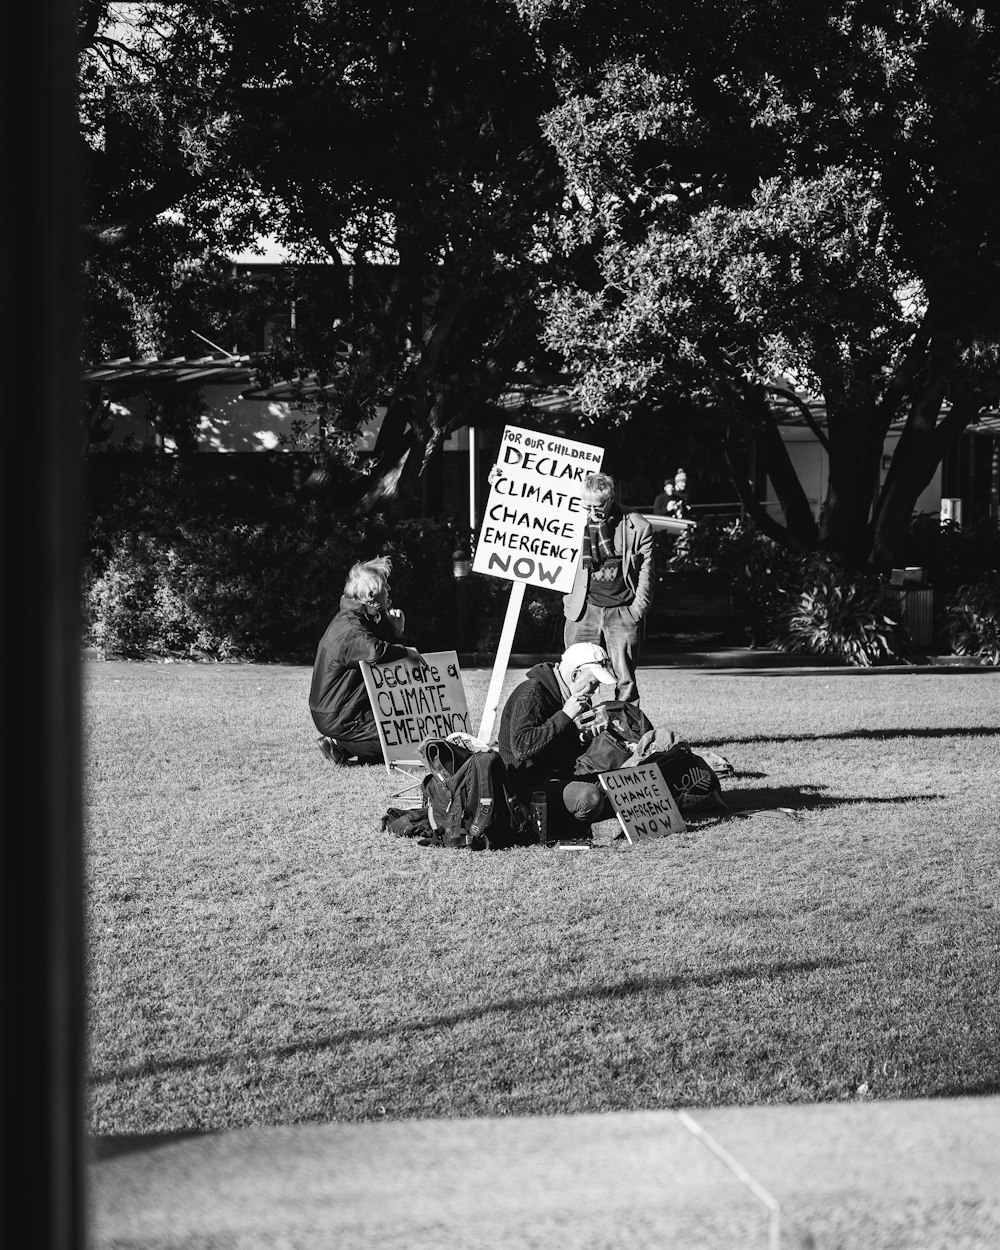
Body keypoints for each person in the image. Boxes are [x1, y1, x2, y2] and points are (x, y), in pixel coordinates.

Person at [309, 556, 422, 765]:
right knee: (406, 740)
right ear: (371, 596)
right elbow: (375, 652)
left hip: (342, 710)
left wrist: (396, 633)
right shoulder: (351, 629)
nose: (389, 590)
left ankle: (340, 744)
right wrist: (406, 651)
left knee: (407, 733)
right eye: (385, 587)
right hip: (341, 715)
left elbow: (378, 658)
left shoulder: (359, 618)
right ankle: (340, 742)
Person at [497, 642, 618, 834]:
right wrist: (565, 716)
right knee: (591, 797)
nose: (596, 691)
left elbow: (557, 751)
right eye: (594, 683)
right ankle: (558, 828)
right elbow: (521, 748)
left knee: (621, 783)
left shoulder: (564, 695)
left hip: (554, 779)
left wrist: (581, 739)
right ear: (575, 675)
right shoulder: (532, 693)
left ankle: (569, 822)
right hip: (526, 790)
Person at [563, 472, 654, 704]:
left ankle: (625, 732)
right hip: (584, 610)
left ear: (611, 497)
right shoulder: (571, 521)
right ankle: (575, 729)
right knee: (575, 675)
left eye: (598, 506)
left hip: (622, 611)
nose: (592, 513)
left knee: (625, 679)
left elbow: (647, 572)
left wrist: (636, 610)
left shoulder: (638, 526)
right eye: (587, 507)